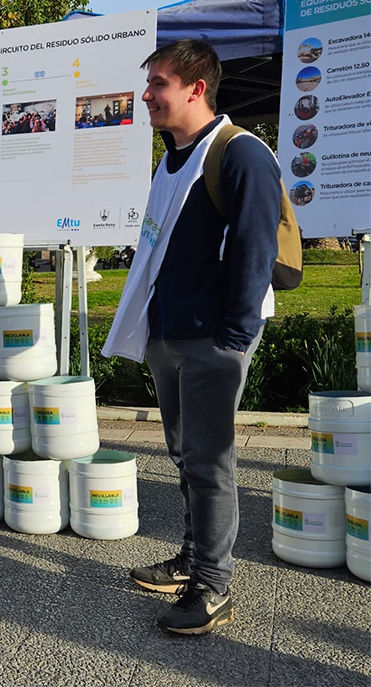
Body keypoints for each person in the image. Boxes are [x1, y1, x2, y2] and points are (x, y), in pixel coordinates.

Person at [103, 40, 281, 635]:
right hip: (169, 332)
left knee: (209, 461)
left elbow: (255, 249)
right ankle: (192, 556)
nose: (147, 95)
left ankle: (213, 584)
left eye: (158, 83)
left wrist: (234, 337)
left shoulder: (241, 153)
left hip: (213, 337)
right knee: (184, 454)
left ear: (195, 88)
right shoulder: (173, 156)